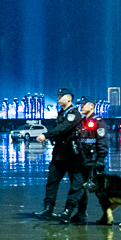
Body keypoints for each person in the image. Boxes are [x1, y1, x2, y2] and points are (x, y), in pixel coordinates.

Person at [33, 88, 86, 223]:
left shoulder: (73, 114)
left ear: (69, 98)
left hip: (72, 155)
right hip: (59, 154)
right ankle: (48, 209)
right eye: (58, 96)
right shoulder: (61, 113)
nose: (58, 98)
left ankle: (79, 213)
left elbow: (63, 128)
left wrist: (46, 135)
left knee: (77, 185)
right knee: (51, 181)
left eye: (62, 96)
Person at [76, 99, 111, 224]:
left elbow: (102, 142)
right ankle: (81, 213)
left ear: (91, 106)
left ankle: (107, 216)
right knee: (79, 187)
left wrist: (100, 159)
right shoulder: (81, 122)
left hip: (94, 161)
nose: (81, 107)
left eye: (83, 105)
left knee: (99, 190)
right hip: (82, 161)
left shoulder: (98, 122)